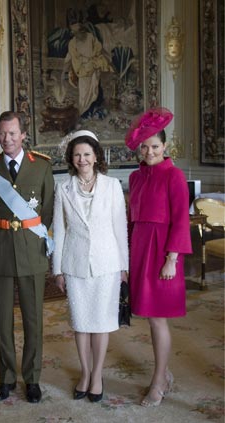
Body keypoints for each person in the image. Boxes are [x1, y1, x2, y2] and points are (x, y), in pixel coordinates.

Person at [0, 111, 54, 404]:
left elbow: (45, 211)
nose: (6, 139)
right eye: (2, 133)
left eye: (12, 133)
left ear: (23, 134)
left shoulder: (42, 168)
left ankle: (32, 379)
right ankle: (7, 377)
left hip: (31, 252)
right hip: (0, 253)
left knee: (34, 319)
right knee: (2, 320)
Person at [52, 129, 129, 403]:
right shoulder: (63, 188)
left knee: (101, 323)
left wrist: (123, 266)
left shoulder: (112, 186)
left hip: (107, 264)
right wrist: (57, 269)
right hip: (74, 265)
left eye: (87, 154)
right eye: (77, 155)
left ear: (96, 156)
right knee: (81, 324)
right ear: (71, 159)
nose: (82, 159)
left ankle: (97, 375)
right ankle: (84, 373)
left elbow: (120, 228)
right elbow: (59, 231)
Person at [124, 107, 192, 407]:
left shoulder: (174, 176)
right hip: (140, 249)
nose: (149, 151)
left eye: (155, 146)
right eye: (145, 146)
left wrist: (172, 259)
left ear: (165, 147)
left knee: (157, 320)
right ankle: (162, 375)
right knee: (147, 316)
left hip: (165, 253)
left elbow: (180, 220)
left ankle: (159, 380)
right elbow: (130, 219)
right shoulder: (135, 177)